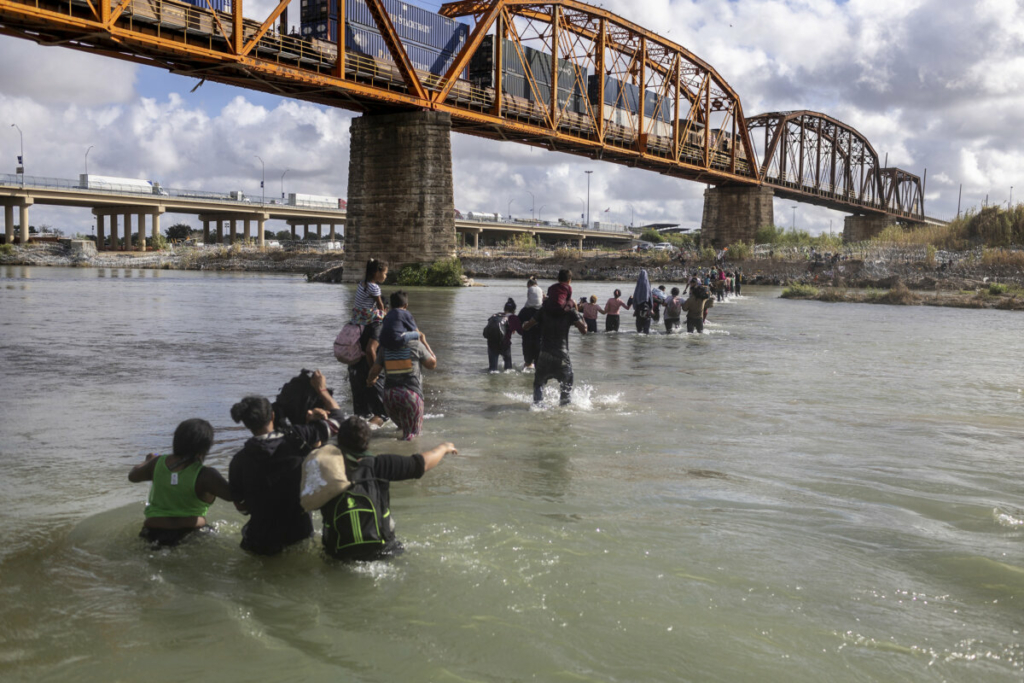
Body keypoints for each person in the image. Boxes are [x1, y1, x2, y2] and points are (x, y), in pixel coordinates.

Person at [229, 371, 342, 555]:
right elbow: (338, 421)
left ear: (247, 425)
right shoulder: (298, 438)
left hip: (259, 539)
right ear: (272, 416)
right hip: (298, 534)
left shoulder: (239, 461)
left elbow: (241, 506)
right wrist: (321, 390)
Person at [319, 416, 458, 561]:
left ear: (339, 443)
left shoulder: (325, 471)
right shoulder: (380, 465)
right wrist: (444, 447)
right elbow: (421, 464)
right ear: (367, 442)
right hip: (381, 551)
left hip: (339, 556)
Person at [128, 418, 232, 547]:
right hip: (193, 534)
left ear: (176, 440)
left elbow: (132, 476)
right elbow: (233, 495)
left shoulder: (156, 463)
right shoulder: (206, 475)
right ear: (205, 447)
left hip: (152, 532)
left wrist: (148, 461)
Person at [368, 296, 437, 440]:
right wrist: (424, 342)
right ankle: (406, 460)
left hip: (390, 397)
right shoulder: (416, 346)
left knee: (401, 429)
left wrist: (370, 380)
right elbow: (432, 364)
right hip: (410, 395)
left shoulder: (385, 348)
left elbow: (374, 371)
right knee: (411, 437)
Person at [522, 299, 587, 405]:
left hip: (544, 355)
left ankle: (537, 408)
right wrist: (577, 311)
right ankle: (564, 413)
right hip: (562, 356)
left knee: (538, 383)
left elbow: (526, 326)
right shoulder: (570, 311)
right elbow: (584, 330)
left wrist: (524, 323)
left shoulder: (544, 310)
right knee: (566, 385)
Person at [348, 316, 389, 427]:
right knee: (383, 414)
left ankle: (355, 433)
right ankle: (366, 430)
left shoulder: (356, 321)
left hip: (354, 367)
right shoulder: (377, 324)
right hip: (369, 368)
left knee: (361, 414)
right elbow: (370, 349)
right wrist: (374, 374)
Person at [484, 297, 523, 372]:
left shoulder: (495, 316)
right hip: (505, 345)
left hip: (492, 344)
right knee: (508, 369)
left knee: (492, 370)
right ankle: (506, 382)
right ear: (514, 310)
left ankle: (492, 382)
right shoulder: (514, 318)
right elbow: (521, 332)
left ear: (504, 309)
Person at [352, 258, 388, 325]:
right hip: (365, 315)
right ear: (377, 272)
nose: (385, 276)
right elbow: (380, 305)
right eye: (385, 273)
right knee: (385, 309)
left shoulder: (362, 283)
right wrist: (384, 316)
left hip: (356, 314)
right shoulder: (374, 287)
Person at [519, 278, 544, 369]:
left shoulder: (524, 311)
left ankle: (527, 383)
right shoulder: (544, 312)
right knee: (539, 367)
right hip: (540, 342)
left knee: (528, 365)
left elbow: (519, 327)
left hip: (527, 342)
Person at [627, 269, 654, 334]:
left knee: (639, 330)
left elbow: (635, 297)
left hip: (638, 309)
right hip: (647, 309)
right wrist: (651, 309)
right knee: (646, 330)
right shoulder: (648, 285)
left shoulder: (638, 284)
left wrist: (635, 309)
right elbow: (650, 298)